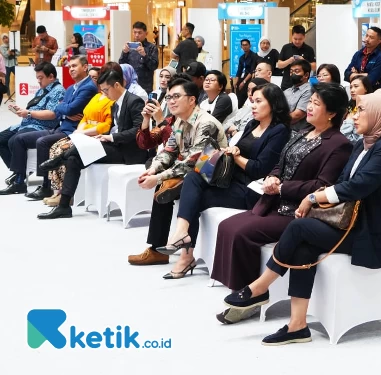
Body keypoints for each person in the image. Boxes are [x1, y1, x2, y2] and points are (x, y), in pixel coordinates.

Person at [221, 93, 381, 345]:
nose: (355, 115)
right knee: (302, 245)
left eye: (361, 110)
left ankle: (260, 287)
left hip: (370, 234)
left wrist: (312, 199)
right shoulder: (364, 144)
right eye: (356, 109)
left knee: (298, 229)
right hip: (350, 224)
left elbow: (358, 186)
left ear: (380, 115)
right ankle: (298, 325)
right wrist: (315, 198)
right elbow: (343, 181)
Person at [212, 83, 353, 323]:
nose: (309, 107)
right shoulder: (302, 132)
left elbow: (322, 183)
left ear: (332, 113)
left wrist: (282, 187)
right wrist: (274, 176)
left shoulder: (338, 143)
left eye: (317, 104)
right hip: (273, 201)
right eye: (310, 101)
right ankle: (243, 292)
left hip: (297, 211)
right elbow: (281, 161)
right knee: (227, 227)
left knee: (242, 233)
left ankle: (251, 297)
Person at [155, 83, 291, 279]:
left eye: (259, 101)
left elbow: (259, 169)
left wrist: (236, 156)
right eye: (252, 101)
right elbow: (242, 150)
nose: (253, 105)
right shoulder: (253, 124)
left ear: (273, 104)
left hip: (253, 189)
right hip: (233, 179)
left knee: (193, 197)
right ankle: (182, 234)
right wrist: (235, 150)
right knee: (193, 178)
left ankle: (185, 254)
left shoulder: (279, 131)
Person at [127, 78, 227, 267]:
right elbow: (169, 150)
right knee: (162, 183)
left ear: (192, 100)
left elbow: (194, 162)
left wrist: (159, 176)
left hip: (210, 177)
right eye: (169, 97)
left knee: (165, 184)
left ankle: (164, 249)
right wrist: (153, 169)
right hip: (193, 174)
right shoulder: (180, 121)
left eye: (177, 96)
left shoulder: (206, 124)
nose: (171, 101)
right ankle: (157, 249)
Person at [37, 69, 149, 219]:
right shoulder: (115, 104)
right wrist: (103, 136)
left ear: (116, 85)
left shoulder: (134, 101)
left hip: (129, 152)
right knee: (73, 159)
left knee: (76, 153)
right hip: (115, 145)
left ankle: (59, 160)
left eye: (106, 90)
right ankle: (63, 206)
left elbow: (137, 131)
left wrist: (111, 137)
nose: (104, 94)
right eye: (102, 90)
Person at [1, 57, 97, 197]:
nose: (71, 69)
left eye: (75, 66)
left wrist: (63, 110)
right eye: (69, 66)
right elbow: (63, 110)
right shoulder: (71, 88)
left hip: (71, 130)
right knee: (15, 139)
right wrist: (64, 111)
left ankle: (44, 185)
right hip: (58, 126)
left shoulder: (87, 87)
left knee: (35, 141)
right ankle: (19, 178)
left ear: (85, 67)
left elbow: (65, 109)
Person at [43, 69, 116, 207]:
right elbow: (84, 117)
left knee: (63, 151)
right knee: (55, 147)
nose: (95, 81)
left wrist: (82, 133)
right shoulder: (96, 97)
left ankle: (65, 195)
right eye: (93, 78)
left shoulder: (111, 101)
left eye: (97, 78)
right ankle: (57, 190)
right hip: (81, 132)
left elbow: (106, 125)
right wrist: (78, 132)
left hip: (94, 135)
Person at [0, 62, 64, 191]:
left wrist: (28, 113)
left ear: (51, 76)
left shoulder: (58, 91)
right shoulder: (42, 90)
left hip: (40, 126)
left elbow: (52, 114)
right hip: (27, 123)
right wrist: (23, 110)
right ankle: (18, 172)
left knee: (15, 140)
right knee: (1, 139)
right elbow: (34, 108)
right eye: (37, 78)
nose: (38, 81)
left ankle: (19, 180)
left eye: (41, 78)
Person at [118, 21, 159, 93]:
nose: (136, 35)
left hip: (145, 86)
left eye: (139, 33)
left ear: (146, 33)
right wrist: (124, 53)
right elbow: (121, 65)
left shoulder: (151, 47)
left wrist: (145, 55)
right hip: (129, 86)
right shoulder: (129, 47)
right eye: (134, 32)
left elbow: (154, 66)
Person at [277, 25, 316, 91]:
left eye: (300, 39)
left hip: (303, 85)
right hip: (287, 84)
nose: (297, 41)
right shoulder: (286, 47)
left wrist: (304, 61)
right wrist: (289, 61)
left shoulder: (309, 49)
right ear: (291, 36)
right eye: (295, 39)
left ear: (304, 37)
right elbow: (279, 65)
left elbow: (314, 67)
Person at [340, 76, 374, 143]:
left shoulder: (369, 109)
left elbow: (356, 140)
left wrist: (349, 121)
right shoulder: (350, 107)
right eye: (351, 87)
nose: (352, 90)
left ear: (366, 88)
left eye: (356, 86)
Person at [283, 60, 312, 131]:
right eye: (291, 72)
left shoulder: (309, 91)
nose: (293, 74)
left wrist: (277, 122)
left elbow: (297, 115)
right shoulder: (287, 91)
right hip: (283, 128)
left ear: (306, 75)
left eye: (296, 71)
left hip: (298, 132)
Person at [235, 39, 258, 107]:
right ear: (241, 47)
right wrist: (236, 81)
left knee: (245, 91)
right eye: (243, 45)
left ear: (249, 46)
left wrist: (244, 82)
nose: (244, 46)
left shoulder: (254, 56)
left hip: (249, 79)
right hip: (242, 77)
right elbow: (239, 70)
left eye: (246, 45)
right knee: (237, 90)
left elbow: (252, 71)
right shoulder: (241, 57)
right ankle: (239, 109)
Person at [1, 33, 20, 99]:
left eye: (6, 37)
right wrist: (9, 51)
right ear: (2, 40)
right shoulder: (2, 47)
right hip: (6, 65)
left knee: (19, 78)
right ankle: (8, 95)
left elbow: (18, 53)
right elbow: (5, 55)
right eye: (4, 38)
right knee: (7, 81)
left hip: (14, 64)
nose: (5, 39)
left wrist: (12, 52)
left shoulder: (13, 45)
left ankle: (19, 92)